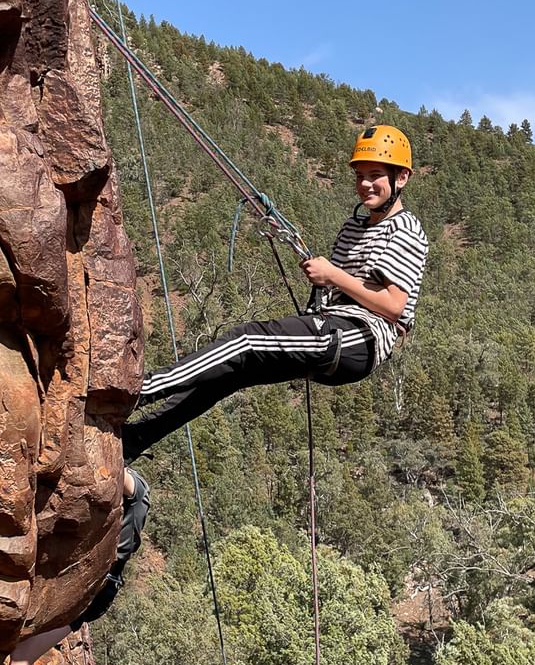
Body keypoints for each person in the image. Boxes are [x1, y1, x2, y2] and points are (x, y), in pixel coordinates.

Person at [122, 125, 428, 463]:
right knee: (232, 372)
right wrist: (325, 280)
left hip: (362, 337)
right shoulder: (353, 227)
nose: (365, 184)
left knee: (246, 340)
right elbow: (342, 284)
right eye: (360, 176)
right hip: (337, 328)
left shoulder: (406, 229)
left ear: (401, 178)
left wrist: (332, 275)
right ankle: (136, 438)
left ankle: (139, 390)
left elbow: (394, 305)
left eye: (375, 175)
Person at [3, 467, 150, 665]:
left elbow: (122, 479)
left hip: (96, 588)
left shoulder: (139, 490)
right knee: (19, 653)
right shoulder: (131, 500)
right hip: (95, 587)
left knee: (21, 658)